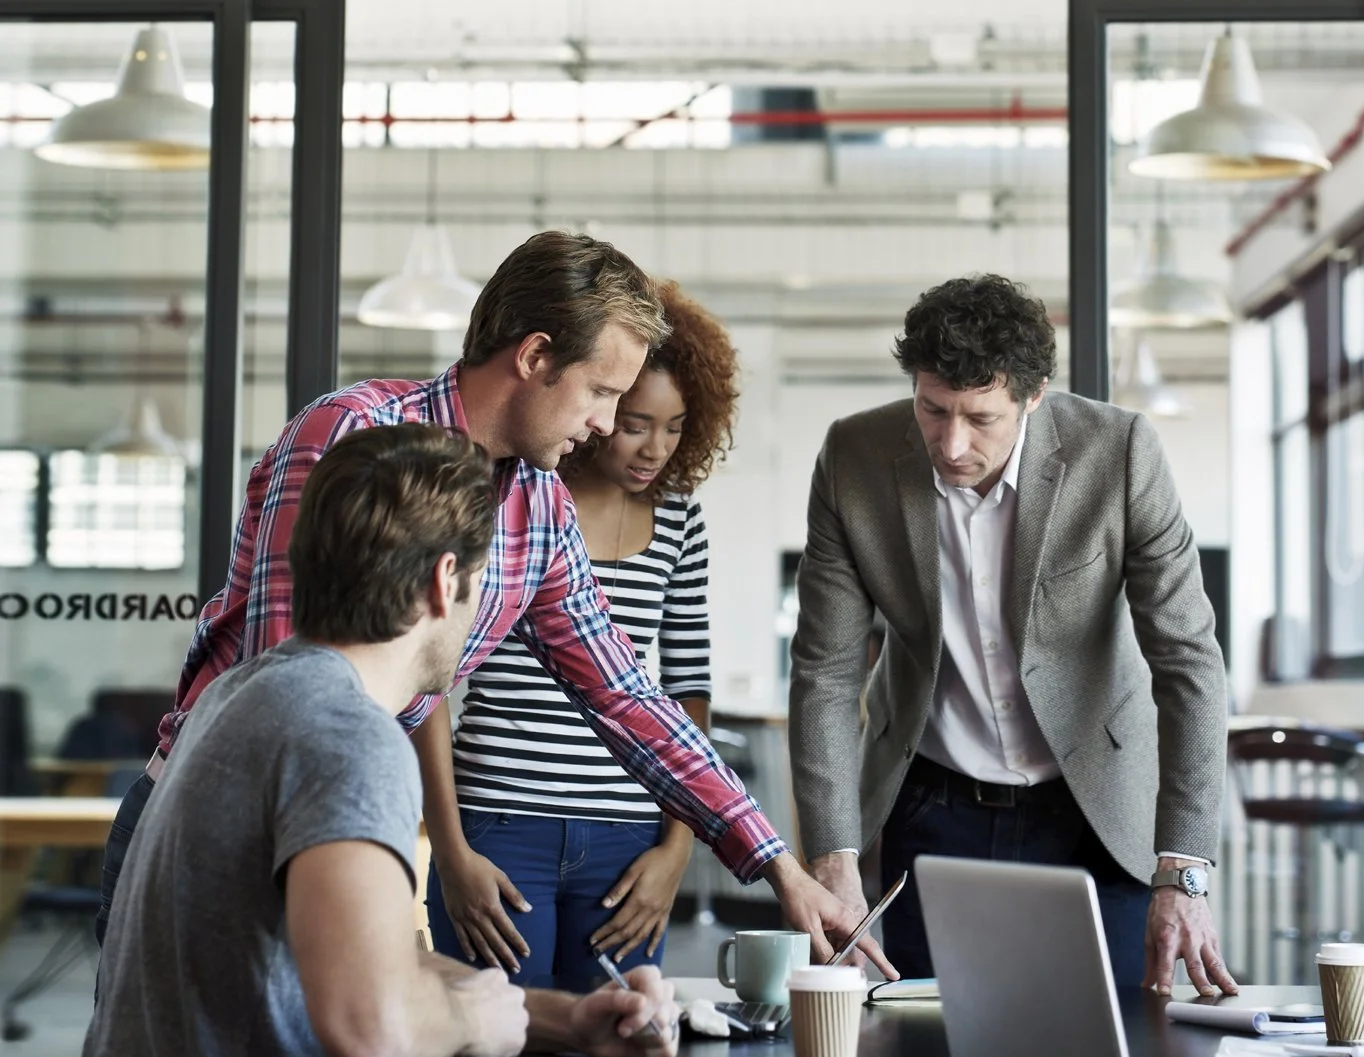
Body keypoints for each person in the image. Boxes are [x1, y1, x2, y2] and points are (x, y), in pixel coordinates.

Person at [93, 230, 889, 977]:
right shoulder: (352, 436)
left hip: (340, 834)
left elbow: (625, 695)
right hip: (213, 826)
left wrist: (777, 863)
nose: (608, 424)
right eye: (602, 391)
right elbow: (289, 689)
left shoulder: (538, 505)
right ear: (537, 356)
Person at [79, 426, 681, 1057]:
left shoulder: (246, 694)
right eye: (483, 581)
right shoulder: (348, 736)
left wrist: (564, 1018)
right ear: (443, 579)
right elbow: (372, 1031)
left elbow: (358, 961)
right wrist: (475, 1018)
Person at [788, 274, 1237, 994]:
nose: (953, 442)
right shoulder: (854, 458)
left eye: (981, 417)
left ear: (1034, 395)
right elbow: (825, 671)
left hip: (1097, 811)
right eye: (933, 409)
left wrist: (1183, 865)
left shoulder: (1118, 453)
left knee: (1110, 1054)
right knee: (927, 1055)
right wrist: (832, 855)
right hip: (933, 809)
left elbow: (1188, 662)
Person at [425, 282, 737, 988]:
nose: (654, 447)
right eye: (633, 420)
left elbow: (684, 689)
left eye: (676, 425)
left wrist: (676, 850)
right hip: (500, 824)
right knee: (494, 1048)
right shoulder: (515, 498)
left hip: (629, 842)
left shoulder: (681, 522)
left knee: (621, 1048)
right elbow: (429, 679)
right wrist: (448, 848)